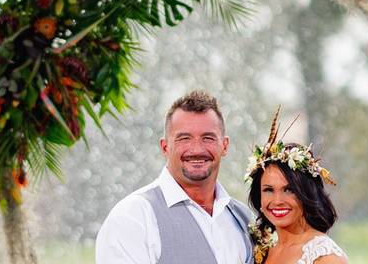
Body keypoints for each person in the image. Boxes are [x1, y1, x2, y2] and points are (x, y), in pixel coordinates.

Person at [96, 90, 253, 263]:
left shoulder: (243, 219)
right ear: (165, 147)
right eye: (184, 138)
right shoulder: (134, 216)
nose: (197, 149)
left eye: (208, 138)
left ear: (224, 145)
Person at [244, 110, 347, 264]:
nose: (277, 200)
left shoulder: (326, 257)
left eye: (289, 190)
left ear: (306, 194)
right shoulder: (261, 252)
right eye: (268, 190)